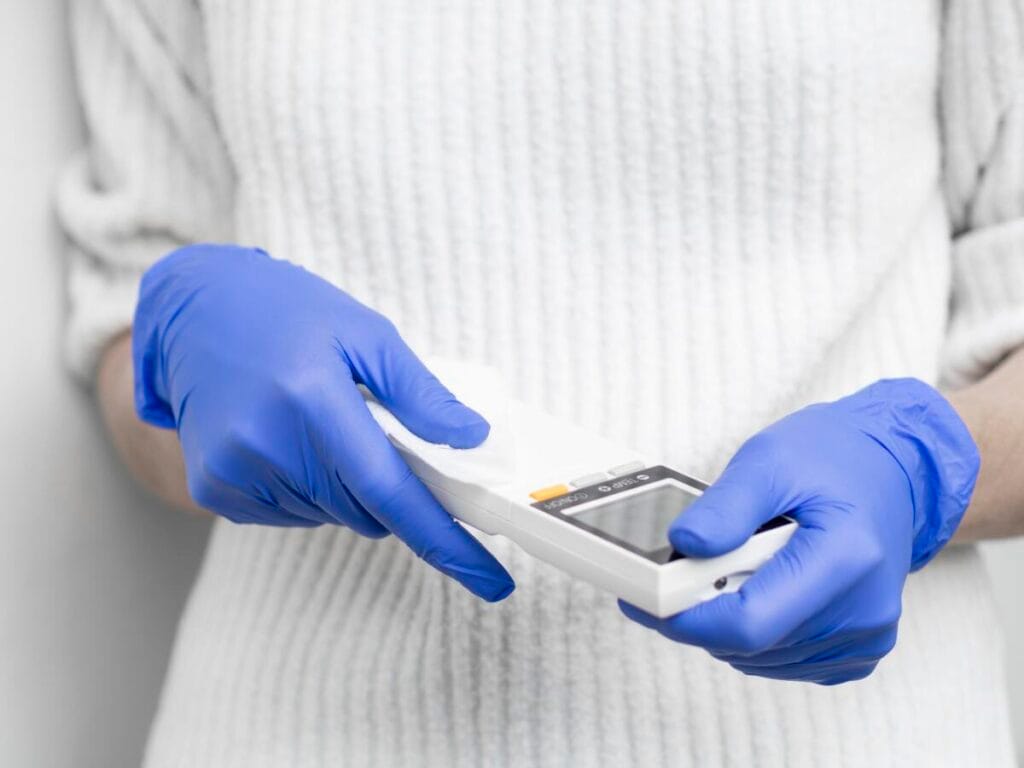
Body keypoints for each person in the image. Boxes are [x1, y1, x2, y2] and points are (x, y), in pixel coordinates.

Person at [59, 1, 1024, 766]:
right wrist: (174, 370)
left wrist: (926, 470)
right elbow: (129, 326)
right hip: (283, 725)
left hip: (851, 737)